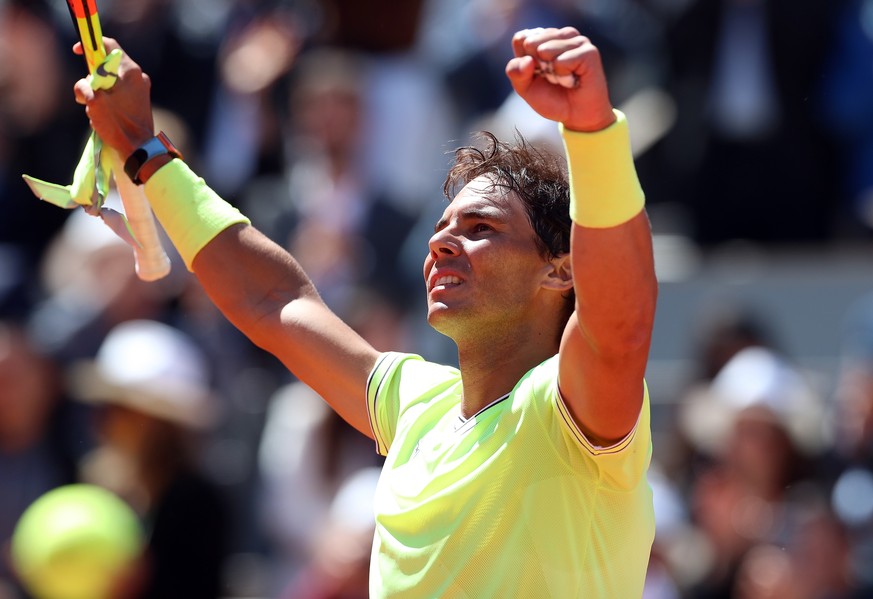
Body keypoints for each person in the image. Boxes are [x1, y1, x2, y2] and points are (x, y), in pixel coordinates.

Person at [74, 25, 658, 597]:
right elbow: (274, 300)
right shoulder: (417, 405)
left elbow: (621, 325)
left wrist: (593, 132)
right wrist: (143, 147)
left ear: (560, 270)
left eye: (482, 228)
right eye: (441, 227)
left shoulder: (571, 408)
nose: (441, 243)